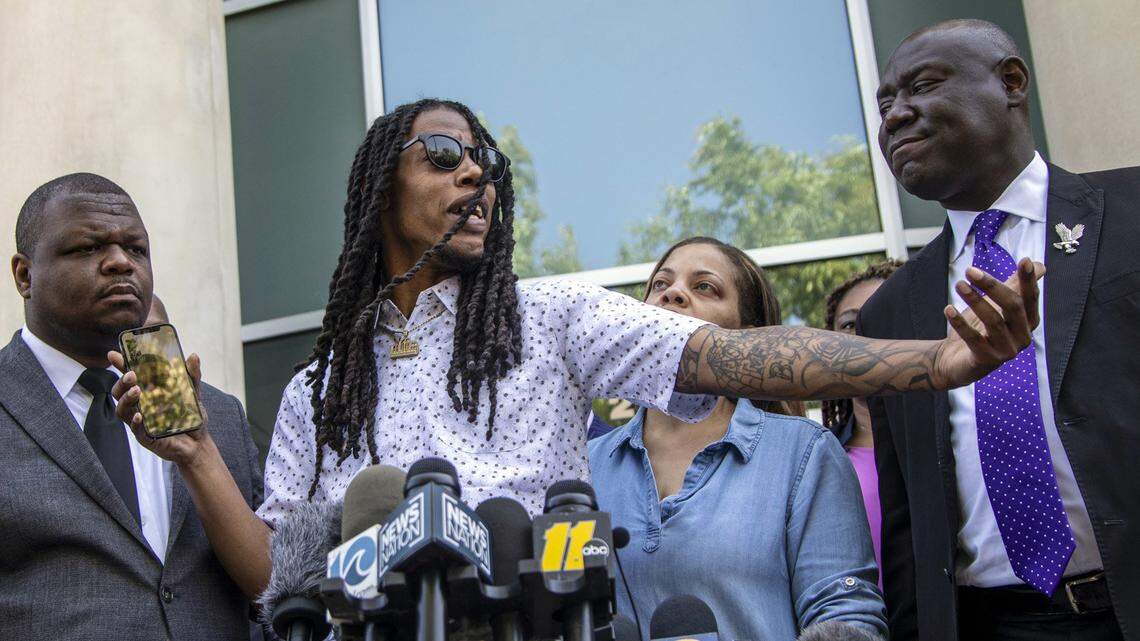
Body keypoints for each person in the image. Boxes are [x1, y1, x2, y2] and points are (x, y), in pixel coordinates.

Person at [114, 98, 1039, 596]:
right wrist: (193, 452)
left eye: (485, 161)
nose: (474, 170)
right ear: (375, 189)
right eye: (442, 153)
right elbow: (281, 575)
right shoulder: (321, 387)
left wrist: (940, 361)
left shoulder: (550, 316)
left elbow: (743, 356)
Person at [863, 19, 1139, 641]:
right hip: (993, 621)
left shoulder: (1131, 211)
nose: (896, 116)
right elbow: (909, 528)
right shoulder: (889, 313)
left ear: (1011, 83)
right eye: (884, 104)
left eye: (922, 87)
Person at [0, 173, 265, 641]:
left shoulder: (218, 417)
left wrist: (198, 455)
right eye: (87, 248)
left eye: (137, 249)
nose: (120, 262)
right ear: (24, 275)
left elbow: (275, 595)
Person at [589, 237, 885, 641]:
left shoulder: (804, 453)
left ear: (748, 337)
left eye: (704, 286)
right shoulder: (583, 465)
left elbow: (844, 614)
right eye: (661, 284)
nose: (673, 293)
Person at [821, 259, 902, 589]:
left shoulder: (954, 446)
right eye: (851, 324)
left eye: (884, 317)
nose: (865, 334)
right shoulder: (819, 458)